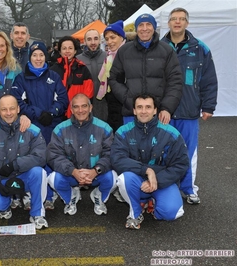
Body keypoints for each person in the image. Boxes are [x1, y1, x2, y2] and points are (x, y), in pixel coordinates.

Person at [162, 7, 218, 205]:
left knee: (188, 152)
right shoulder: (159, 47)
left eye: (181, 19)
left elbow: (209, 80)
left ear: (187, 23)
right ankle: (167, 188)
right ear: (168, 23)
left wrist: (208, 106)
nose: (177, 22)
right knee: (164, 151)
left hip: (188, 111)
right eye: (174, 19)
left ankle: (188, 188)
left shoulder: (200, 48)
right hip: (164, 112)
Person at [111, 94, 189, 230]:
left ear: (155, 110)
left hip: (162, 181)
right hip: (136, 180)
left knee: (171, 213)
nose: (143, 111)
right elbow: (117, 159)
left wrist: (156, 180)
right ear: (134, 110)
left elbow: (180, 165)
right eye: (139, 107)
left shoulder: (171, 133)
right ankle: (135, 213)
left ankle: (154, 205)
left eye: (148, 107)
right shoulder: (123, 132)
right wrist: (147, 171)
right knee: (123, 179)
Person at [0, 95, 48, 229]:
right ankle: (5, 206)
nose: (8, 113)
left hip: (23, 176)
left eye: (12, 108)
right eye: (4, 109)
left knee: (39, 172)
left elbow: (40, 157)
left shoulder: (33, 131)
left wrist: (15, 164)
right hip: (1, 180)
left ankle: (37, 213)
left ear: (18, 109)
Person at [47, 93, 117, 215]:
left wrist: (96, 171)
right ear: (71, 109)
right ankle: (71, 197)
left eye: (84, 106)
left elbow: (110, 154)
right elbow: (54, 156)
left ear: (90, 108)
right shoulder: (60, 129)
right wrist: (73, 171)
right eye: (76, 107)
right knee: (53, 179)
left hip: (95, 174)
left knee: (115, 177)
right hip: (71, 174)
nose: (80, 110)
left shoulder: (104, 128)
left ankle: (98, 196)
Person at [108, 13, 183, 125]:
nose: (144, 28)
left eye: (148, 24)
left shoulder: (167, 51)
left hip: (159, 114)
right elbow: (114, 79)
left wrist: (167, 108)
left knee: (159, 143)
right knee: (132, 143)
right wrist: (128, 100)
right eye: (141, 25)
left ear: (154, 27)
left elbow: (175, 81)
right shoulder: (124, 51)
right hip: (131, 113)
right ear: (136, 28)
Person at [11, 41, 68, 143]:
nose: (38, 59)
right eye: (34, 55)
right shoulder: (21, 78)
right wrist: (38, 113)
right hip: (30, 128)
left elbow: (63, 99)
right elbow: (16, 101)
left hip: (53, 127)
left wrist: (51, 113)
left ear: (45, 57)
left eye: (41, 55)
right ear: (30, 57)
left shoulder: (54, 76)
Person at [51, 36, 94, 118]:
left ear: (75, 51)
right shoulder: (53, 70)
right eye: (64, 48)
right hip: (57, 114)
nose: (67, 51)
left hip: (77, 114)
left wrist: (83, 110)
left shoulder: (82, 69)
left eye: (70, 48)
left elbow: (89, 93)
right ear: (60, 51)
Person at [98, 20, 126, 132]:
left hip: (125, 103)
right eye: (107, 39)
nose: (109, 41)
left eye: (113, 37)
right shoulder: (109, 57)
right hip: (112, 100)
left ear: (122, 37)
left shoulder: (128, 54)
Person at [77, 29, 107, 121]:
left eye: (95, 38)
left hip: (104, 104)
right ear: (85, 42)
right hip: (85, 104)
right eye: (89, 39)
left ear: (100, 40)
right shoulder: (78, 60)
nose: (93, 42)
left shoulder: (108, 57)